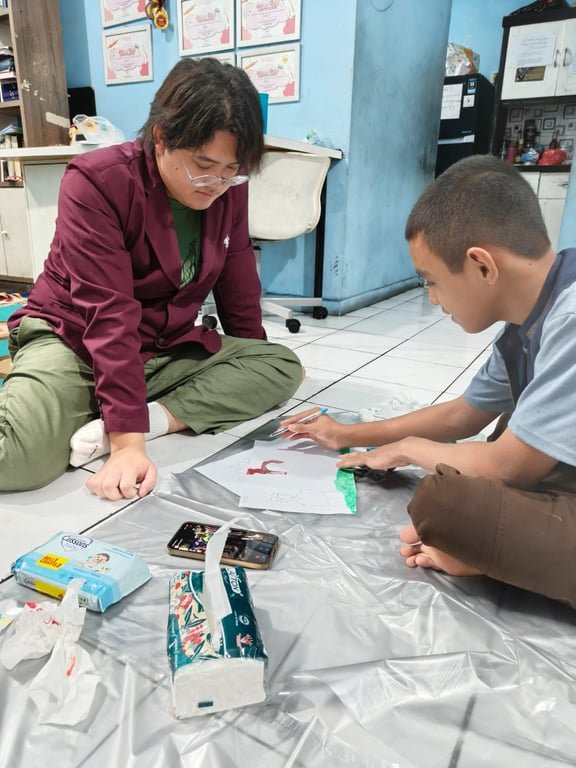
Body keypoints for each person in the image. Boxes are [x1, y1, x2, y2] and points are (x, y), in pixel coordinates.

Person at [279, 155, 576, 608]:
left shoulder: (570, 317)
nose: (434, 299)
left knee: (445, 506)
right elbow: (462, 415)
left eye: (431, 281)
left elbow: (508, 467)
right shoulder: (524, 326)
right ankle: (497, 550)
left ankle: (489, 553)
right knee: (501, 438)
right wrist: (345, 435)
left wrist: (408, 449)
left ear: (482, 266)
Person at [0, 58, 302, 500]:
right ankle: (110, 411)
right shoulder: (97, 181)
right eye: (203, 165)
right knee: (18, 459)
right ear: (161, 137)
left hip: (161, 347)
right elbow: (109, 313)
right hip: (75, 339)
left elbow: (238, 285)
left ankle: (150, 416)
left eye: (231, 170)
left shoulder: (227, 189)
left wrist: (249, 360)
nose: (216, 183)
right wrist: (127, 445)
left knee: (280, 365)